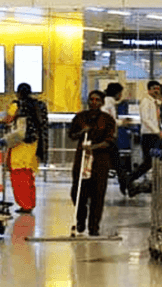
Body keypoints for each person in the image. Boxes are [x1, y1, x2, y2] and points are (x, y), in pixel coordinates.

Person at [68, 90, 117, 236]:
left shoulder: (108, 119)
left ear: (102, 102)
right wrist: (82, 132)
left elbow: (110, 141)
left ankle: (94, 226)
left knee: (97, 194)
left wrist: (93, 147)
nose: (94, 102)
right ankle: (80, 220)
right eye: (91, 99)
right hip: (82, 160)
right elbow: (71, 135)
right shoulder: (80, 117)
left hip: (100, 161)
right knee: (77, 192)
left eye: (97, 100)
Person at [4, 83, 48, 214]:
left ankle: (25, 205)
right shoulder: (40, 105)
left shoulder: (17, 105)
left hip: (20, 145)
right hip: (34, 145)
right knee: (29, 176)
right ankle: (30, 203)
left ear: (18, 93)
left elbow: (8, 119)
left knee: (18, 176)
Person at [128, 81, 162, 196]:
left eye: (158, 89)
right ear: (149, 90)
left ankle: (131, 180)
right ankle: (129, 179)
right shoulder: (145, 101)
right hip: (149, 135)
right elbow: (145, 119)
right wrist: (157, 131)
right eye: (154, 89)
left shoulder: (156, 102)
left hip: (155, 134)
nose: (156, 91)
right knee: (148, 162)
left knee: (152, 162)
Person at [101, 83, 129, 195]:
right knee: (117, 164)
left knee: (117, 164)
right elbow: (110, 121)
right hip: (108, 138)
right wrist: (122, 123)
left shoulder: (109, 103)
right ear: (117, 93)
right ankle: (126, 186)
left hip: (107, 138)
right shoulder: (108, 104)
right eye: (120, 93)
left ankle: (126, 185)